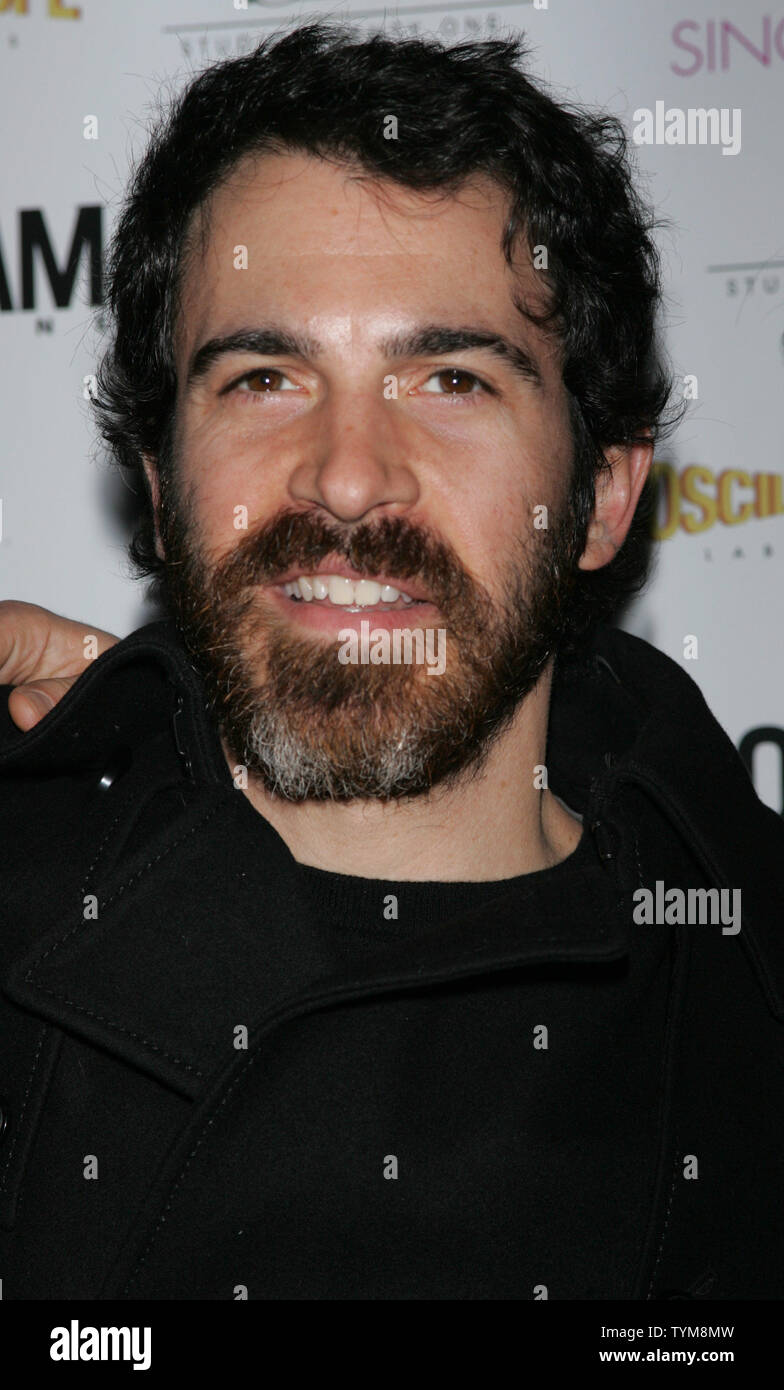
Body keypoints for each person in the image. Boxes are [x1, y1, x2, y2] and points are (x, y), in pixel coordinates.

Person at [1, 21, 782, 1302]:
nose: (349, 474)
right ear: (160, 485)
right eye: (263, 376)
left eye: (450, 379)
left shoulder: (747, 997)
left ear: (599, 496)